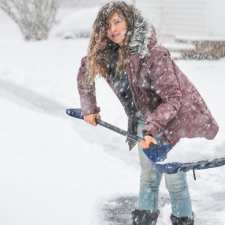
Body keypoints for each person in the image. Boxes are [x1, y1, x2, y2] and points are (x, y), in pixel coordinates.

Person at [76, 1, 219, 225]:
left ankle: (183, 219)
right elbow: (85, 74)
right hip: (145, 121)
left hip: (172, 120)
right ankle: (144, 217)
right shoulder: (106, 54)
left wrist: (153, 128)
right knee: (149, 175)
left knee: (174, 179)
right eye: (107, 25)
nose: (113, 29)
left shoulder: (153, 54)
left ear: (129, 21)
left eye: (117, 21)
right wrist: (89, 109)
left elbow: (173, 99)